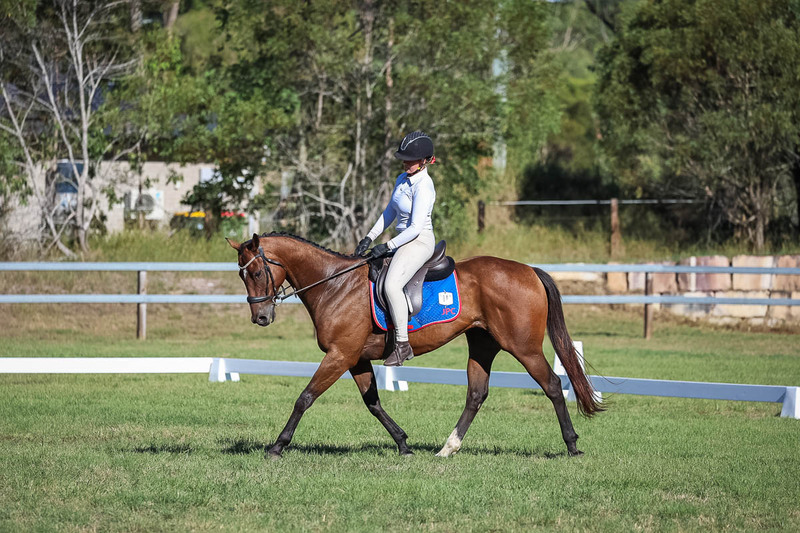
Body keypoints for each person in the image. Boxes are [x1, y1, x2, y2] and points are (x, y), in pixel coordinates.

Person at [354, 131, 437, 367]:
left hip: (419, 240)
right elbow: (390, 212)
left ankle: (402, 344)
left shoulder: (424, 186)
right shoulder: (402, 179)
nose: (405, 162)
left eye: (410, 159)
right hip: (403, 239)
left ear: (424, 161)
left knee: (391, 285)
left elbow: (415, 227)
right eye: (404, 158)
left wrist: (387, 245)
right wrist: (369, 238)